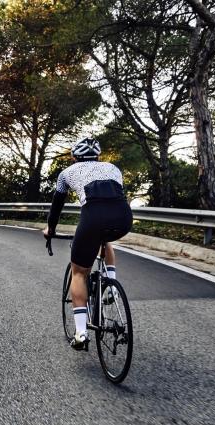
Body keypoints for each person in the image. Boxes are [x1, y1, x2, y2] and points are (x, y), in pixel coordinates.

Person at [43, 137, 132, 350]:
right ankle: (111, 286)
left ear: (74, 156)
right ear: (98, 156)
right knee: (105, 239)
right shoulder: (113, 168)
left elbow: (56, 207)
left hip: (93, 217)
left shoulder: (66, 174)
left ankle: (81, 333)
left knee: (79, 273)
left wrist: (50, 230)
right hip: (123, 218)